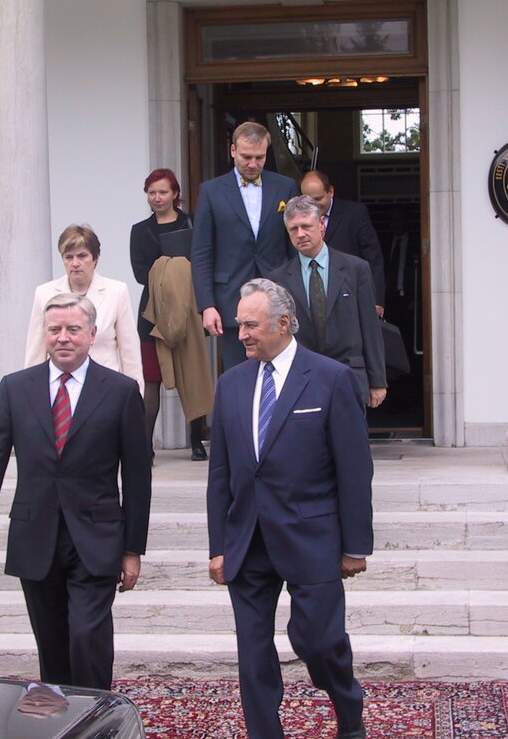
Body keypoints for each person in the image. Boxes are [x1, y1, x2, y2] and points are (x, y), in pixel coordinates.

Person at [206, 279, 373, 739]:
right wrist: (218, 546)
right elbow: (220, 473)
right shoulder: (231, 383)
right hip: (248, 541)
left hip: (311, 537)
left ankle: (348, 709)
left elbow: (355, 471)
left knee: (319, 642)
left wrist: (356, 545)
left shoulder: (330, 378)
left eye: (251, 324)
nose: (241, 334)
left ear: (283, 323)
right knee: (253, 653)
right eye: (239, 324)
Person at [0, 293, 151, 690]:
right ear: (44, 334)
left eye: (73, 330)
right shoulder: (16, 388)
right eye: (55, 330)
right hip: (36, 536)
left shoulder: (119, 391)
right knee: (52, 648)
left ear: (91, 334)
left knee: (88, 639)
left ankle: (98, 720)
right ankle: (62, 724)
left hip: (96, 537)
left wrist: (133, 548)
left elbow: (137, 477)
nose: (63, 338)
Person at [191, 121, 298, 371]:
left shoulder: (285, 186)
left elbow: (293, 247)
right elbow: (202, 253)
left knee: (282, 371)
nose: (252, 164)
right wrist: (207, 305)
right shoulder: (211, 191)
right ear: (232, 151)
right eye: (246, 157)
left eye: (259, 157)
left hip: (278, 295)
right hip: (230, 300)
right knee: (238, 375)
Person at [269, 195, 387, 408]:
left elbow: (370, 327)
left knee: (349, 441)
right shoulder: (278, 279)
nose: (301, 234)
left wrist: (377, 380)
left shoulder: (356, 269)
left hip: (350, 375)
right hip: (300, 378)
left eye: (306, 226)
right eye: (293, 229)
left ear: (322, 224)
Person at [129, 168, 209, 459]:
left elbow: (202, 263)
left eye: (163, 192)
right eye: (152, 192)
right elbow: (140, 273)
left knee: (193, 376)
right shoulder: (140, 230)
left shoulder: (192, 224)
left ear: (175, 194)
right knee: (152, 380)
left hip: (188, 311)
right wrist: (172, 269)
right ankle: (144, 446)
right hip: (152, 314)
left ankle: (196, 441)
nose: (157, 198)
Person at [24, 225, 144, 395]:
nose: (75, 263)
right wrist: (32, 395)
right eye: (68, 257)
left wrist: (136, 398)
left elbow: (130, 353)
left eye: (82, 256)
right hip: (60, 390)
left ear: (95, 258)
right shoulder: (44, 293)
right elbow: (36, 352)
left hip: (105, 388)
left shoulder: (117, 292)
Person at [300, 170, 386, 316]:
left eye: (318, 198)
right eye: (309, 201)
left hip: (349, 295)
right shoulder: (299, 220)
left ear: (331, 191)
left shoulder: (355, 213)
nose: (314, 206)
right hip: (311, 298)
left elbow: (373, 258)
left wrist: (376, 300)